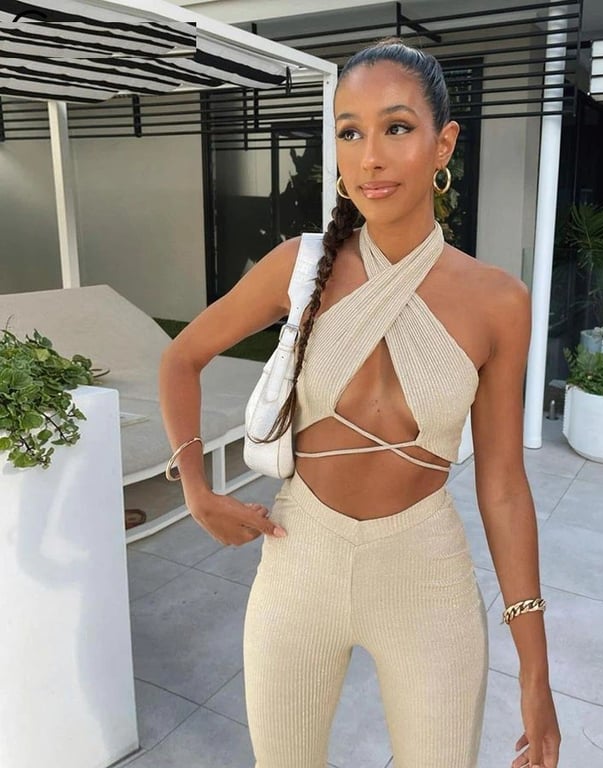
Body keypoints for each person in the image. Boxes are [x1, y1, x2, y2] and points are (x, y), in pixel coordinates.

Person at [159, 38, 560, 768]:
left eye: (396, 127)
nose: (369, 157)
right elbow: (180, 357)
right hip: (299, 560)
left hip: (425, 571)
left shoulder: (498, 301)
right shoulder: (301, 267)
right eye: (350, 132)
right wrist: (195, 488)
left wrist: (535, 671)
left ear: (444, 144)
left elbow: (503, 485)